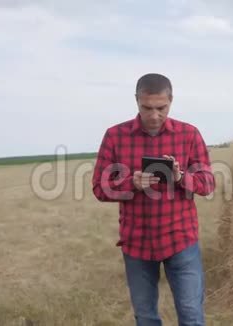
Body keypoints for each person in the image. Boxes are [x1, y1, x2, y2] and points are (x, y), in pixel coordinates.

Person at [92, 73, 215, 326]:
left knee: (192, 316)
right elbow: (99, 187)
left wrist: (181, 178)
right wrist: (132, 184)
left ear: (171, 100)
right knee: (146, 318)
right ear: (136, 100)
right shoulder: (115, 136)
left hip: (181, 240)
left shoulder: (189, 134)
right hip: (137, 243)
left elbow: (208, 184)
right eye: (146, 107)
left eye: (161, 108)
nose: (154, 115)